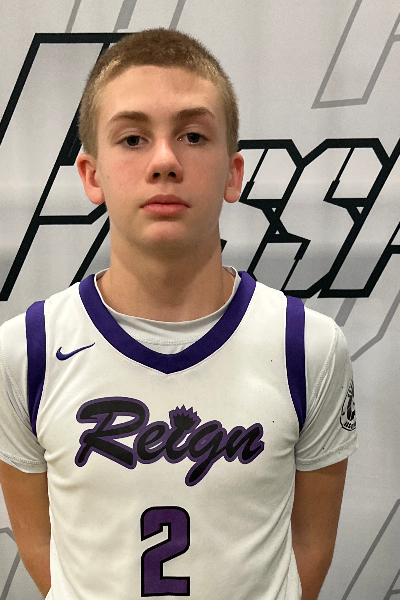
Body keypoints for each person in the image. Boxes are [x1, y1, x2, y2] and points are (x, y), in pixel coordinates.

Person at [0, 28, 357, 600]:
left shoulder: (308, 347)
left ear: (233, 173)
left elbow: (311, 546)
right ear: (92, 175)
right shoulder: (25, 353)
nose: (164, 160)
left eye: (192, 135)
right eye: (133, 138)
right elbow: (42, 546)